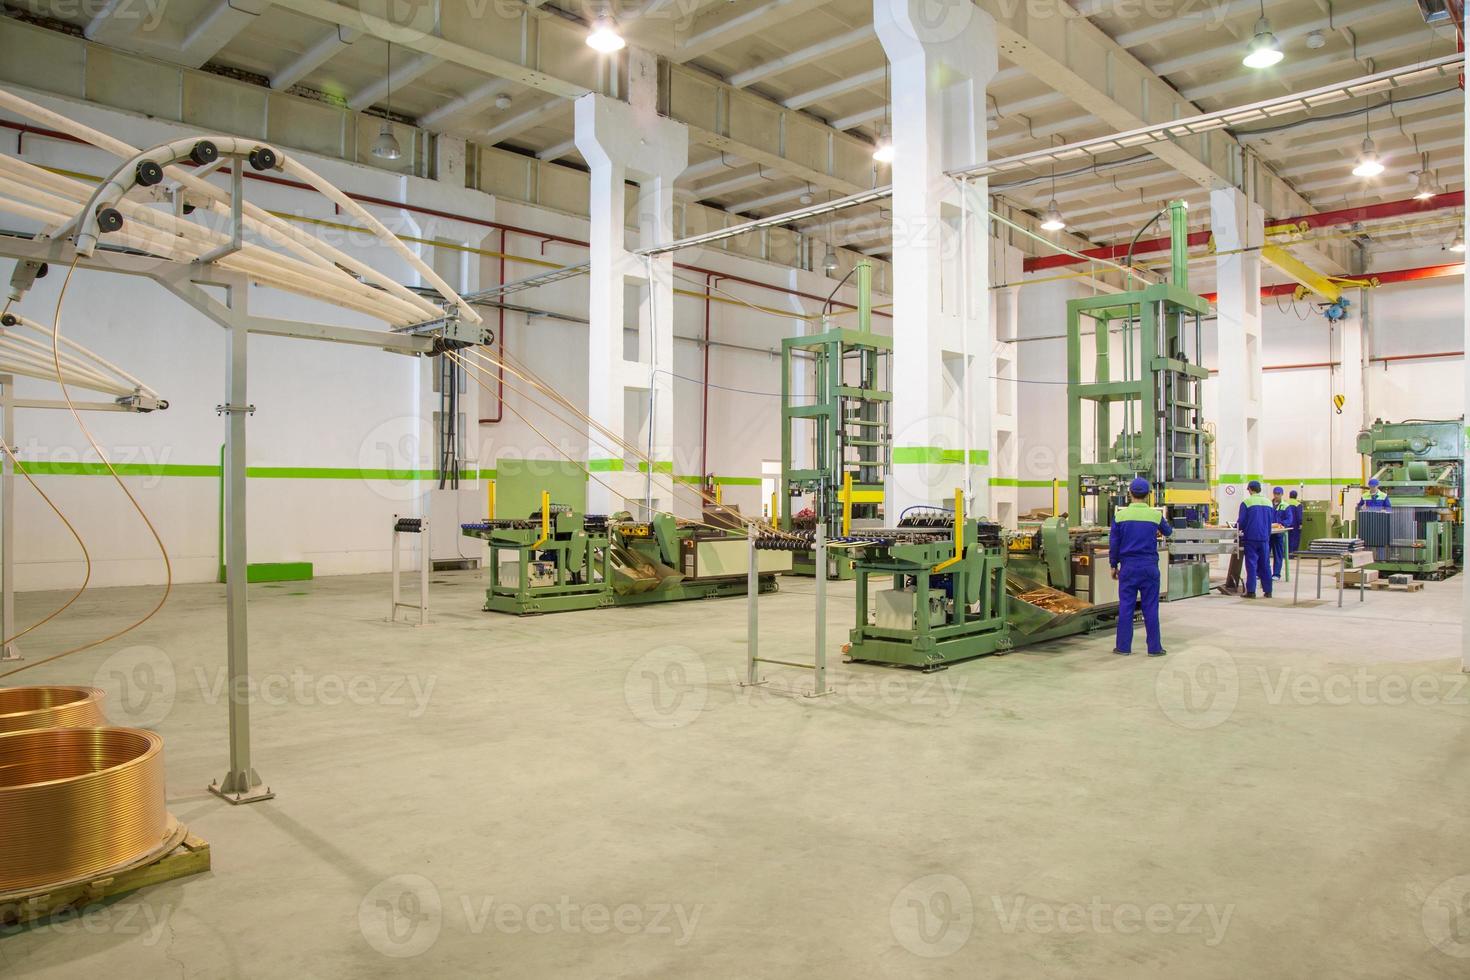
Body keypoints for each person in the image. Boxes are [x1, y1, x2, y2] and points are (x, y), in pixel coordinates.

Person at [1109, 477, 1172, 656]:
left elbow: (1114, 544)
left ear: (1130, 494)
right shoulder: (1155, 515)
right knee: (1150, 607)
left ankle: (1123, 647)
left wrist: (1113, 565)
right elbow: (1168, 531)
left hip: (1128, 568)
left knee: (1126, 607)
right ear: (1148, 495)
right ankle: (1154, 648)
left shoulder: (1120, 516)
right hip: (1149, 567)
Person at [1237, 479, 1274, 599]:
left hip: (1251, 538)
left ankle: (1251, 591)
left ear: (1250, 489)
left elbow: (1241, 522)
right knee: (1265, 564)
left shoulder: (1247, 502)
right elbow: (1270, 520)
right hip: (1265, 538)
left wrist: (1238, 528)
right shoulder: (1269, 502)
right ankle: (1268, 591)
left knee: (1251, 564)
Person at [1270, 486, 1296, 579]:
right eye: (1275, 493)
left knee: (1278, 554)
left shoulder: (1285, 506)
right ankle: (1264, 573)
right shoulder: (1269, 505)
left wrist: (1281, 524)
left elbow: (1289, 519)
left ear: (1282, 494)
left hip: (1279, 533)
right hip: (1268, 533)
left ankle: (1276, 574)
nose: (1276, 495)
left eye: (1278, 494)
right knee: (1265, 554)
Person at [1287, 490, 1304, 555]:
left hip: (1287, 524)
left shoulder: (1285, 503)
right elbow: (1299, 515)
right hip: (1295, 525)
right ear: (1296, 496)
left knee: (1287, 539)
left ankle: (1286, 553)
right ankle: (1292, 553)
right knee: (1295, 539)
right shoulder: (1298, 504)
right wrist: (1300, 523)